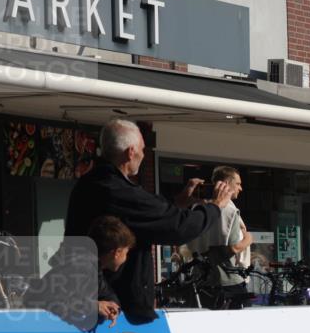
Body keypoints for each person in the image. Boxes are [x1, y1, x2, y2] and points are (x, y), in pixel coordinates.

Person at [63, 119, 232, 321]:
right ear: (131, 152)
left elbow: (145, 213)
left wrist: (178, 202)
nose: (144, 155)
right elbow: (178, 228)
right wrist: (214, 206)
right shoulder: (118, 190)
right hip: (116, 308)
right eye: (143, 149)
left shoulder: (89, 183)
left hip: (97, 297)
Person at [27, 216, 135, 331]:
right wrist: (94, 306)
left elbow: (106, 293)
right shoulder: (81, 265)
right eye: (126, 252)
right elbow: (52, 298)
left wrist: (112, 307)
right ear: (117, 253)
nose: (126, 258)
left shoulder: (93, 266)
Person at [187, 166, 254, 308]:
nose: (240, 188)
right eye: (238, 184)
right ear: (227, 184)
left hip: (201, 279)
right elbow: (233, 247)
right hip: (227, 281)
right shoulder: (229, 210)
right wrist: (248, 238)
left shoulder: (197, 208)